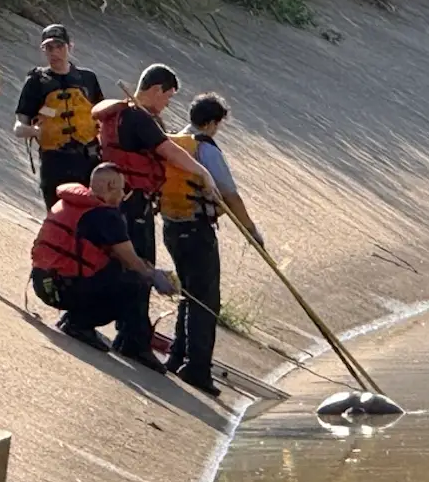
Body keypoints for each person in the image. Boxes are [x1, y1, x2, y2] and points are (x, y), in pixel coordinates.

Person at [93, 63, 219, 359]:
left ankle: (128, 332)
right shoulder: (137, 118)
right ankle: (134, 340)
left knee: (128, 266)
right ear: (155, 90)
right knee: (141, 267)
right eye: (168, 97)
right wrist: (203, 174)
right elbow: (170, 151)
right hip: (135, 205)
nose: (167, 103)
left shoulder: (122, 114)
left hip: (121, 201)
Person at [159, 92, 263, 397]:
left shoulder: (173, 142)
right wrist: (251, 230)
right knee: (206, 301)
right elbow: (230, 194)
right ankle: (197, 369)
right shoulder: (206, 149)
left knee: (190, 294)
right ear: (213, 123)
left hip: (171, 226)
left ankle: (178, 356)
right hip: (196, 230)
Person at [30, 162, 179, 372]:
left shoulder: (73, 202)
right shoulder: (105, 215)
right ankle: (128, 343)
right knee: (134, 282)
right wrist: (155, 277)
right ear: (110, 186)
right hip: (62, 288)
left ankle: (76, 319)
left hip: (44, 282)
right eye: (121, 189)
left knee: (118, 271)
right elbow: (132, 261)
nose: (123, 195)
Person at [12, 24, 105, 210]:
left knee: (91, 219)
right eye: (49, 48)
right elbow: (18, 127)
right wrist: (34, 130)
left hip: (88, 161)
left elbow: (102, 118)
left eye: (59, 46)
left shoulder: (88, 79)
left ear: (70, 47)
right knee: (59, 220)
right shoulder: (36, 82)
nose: (54, 52)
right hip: (55, 162)